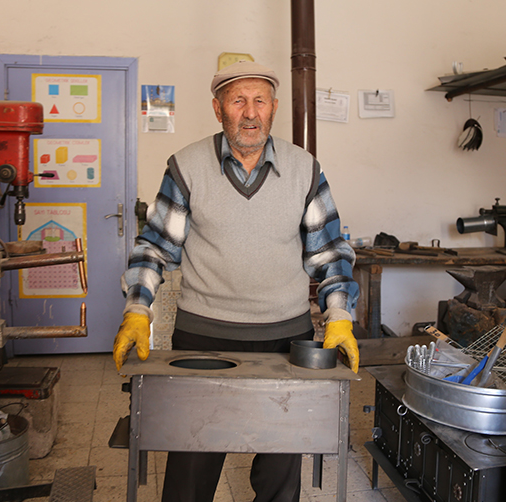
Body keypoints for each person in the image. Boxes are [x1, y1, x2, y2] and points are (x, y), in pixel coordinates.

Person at [112, 60, 360, 502]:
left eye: (260, 101)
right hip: (204, 336)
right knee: (191, 465)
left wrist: (339, 314)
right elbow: (155, 248)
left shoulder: (305, 169)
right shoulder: (186, 166)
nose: (250, 112)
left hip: (287, 339)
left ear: (274, 108)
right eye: (238, 100)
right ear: (217, 108)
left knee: (280, 468)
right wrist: (137, 309)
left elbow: (329, 252)